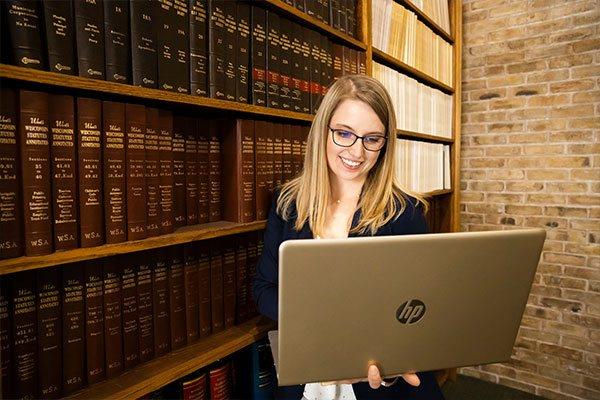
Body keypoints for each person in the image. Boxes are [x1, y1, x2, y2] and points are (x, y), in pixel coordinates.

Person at [253, 75, 445, 400]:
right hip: (310, 372)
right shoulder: (288, 204)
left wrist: (390, 362)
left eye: (372, 139)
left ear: (385, 143)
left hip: (380, 381)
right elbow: (264, 288)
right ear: (323, 131)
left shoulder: (405, 212)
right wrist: (319, 318)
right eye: (344, 134)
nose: (356, 151)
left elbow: (419, 311)